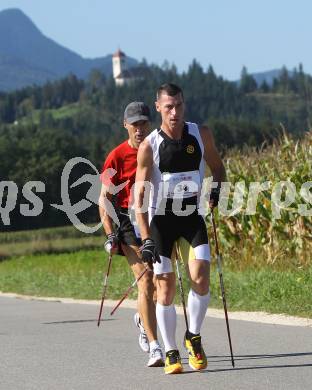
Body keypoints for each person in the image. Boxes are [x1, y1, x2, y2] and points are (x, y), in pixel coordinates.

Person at [135, 84, 226, 374]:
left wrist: (216, 190)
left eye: (179, 106)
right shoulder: (149, 145)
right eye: (168, 107)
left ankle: (193, 337)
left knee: (200, 278)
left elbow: (218, 168)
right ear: (158, 107)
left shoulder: (201, 134)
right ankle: (171, 350)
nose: (175, 112)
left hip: (191, 215)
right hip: (160, 219)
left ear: (184, 105)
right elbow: (139, 199)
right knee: (166, 288)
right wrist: (146, 238)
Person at [98, 101, 164, 367]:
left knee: (163, 286)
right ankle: (155, 346)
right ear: (125, 125)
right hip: (127, 220)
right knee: (146, 280)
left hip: (157, 217)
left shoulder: (159, 149)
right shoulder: (115, 157)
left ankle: (141, 316)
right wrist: (110, 233)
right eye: (134, 124)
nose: (139, 129)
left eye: (144, 123)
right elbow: (103, 199)